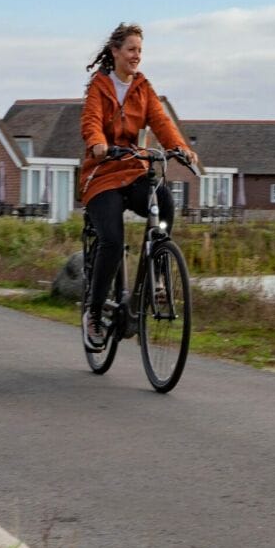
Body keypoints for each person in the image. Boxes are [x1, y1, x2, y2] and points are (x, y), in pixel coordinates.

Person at [80, 23, 198, 349]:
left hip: (133, 169)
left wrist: (179, 146)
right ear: (115, 51)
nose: (136, 56)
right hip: (102, 175)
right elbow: (90, 121)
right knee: (113, 241)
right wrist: (97, 143)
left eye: (140, 51)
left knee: (165, 203)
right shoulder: (99, 87)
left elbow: (160, 121)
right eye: (131, 49)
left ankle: (157, 275)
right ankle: (93, 312)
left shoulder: (143, 87)